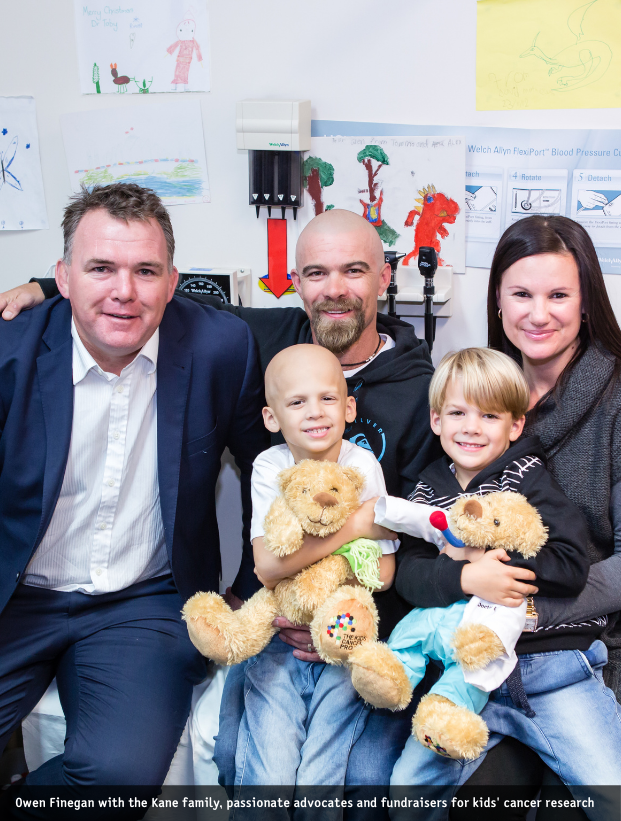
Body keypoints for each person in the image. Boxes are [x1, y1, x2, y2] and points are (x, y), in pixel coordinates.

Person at [1, 209, 441, 796]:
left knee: (325, 770)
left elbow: (411, 539)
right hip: (35, 596)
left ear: (385, 277)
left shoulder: (424, 393)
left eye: (354, 271)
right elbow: (128, 289)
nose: (334, 290)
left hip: (317, 614)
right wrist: (39, 284)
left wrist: (357, 616)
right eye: (316, 273)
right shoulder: (254, 336)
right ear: (295, 280)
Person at [0, 183, 267, 817]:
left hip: (142, 603)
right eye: (100, 268)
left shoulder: (220, 347)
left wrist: (247, 591)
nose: (124, 291)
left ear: (172, 281)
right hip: (16, 595)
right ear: (62, 277)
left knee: (117, 778)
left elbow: (270, 470)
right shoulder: (9, 348)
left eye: (145, 270)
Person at [383, 347, 621, 820]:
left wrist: (492, 564)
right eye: (457, 413)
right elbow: (407, 573)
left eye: (489, 415)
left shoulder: (530, 480)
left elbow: (570, 563)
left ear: (514, 426)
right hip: (464, 678)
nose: (471, 427)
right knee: (406, 792)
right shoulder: (426, 490)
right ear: (436, 420)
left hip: (548, 669)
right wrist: (465, 576)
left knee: (609, 790)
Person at [452, 215, 621, 820]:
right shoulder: (474, 400)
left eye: (558, 295)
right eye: (521, 294)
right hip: (483, 656)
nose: (538, 314)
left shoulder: (616, 399)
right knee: (472, 804)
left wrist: (519, 610)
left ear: (586, 301)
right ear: (497, 300)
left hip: (594, 644)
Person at [230, 343, 406, 807]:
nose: (314, 412)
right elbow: (267, 567)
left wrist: (322, 579)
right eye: (297, 402)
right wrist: (356, 528)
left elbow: (384, 573)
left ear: (349, 408)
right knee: (269, 770)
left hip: (344, 636)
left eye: (328, 398)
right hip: (280, 632)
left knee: (320, 772)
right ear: (272, 418)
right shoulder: (271, 468)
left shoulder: (361, 466)